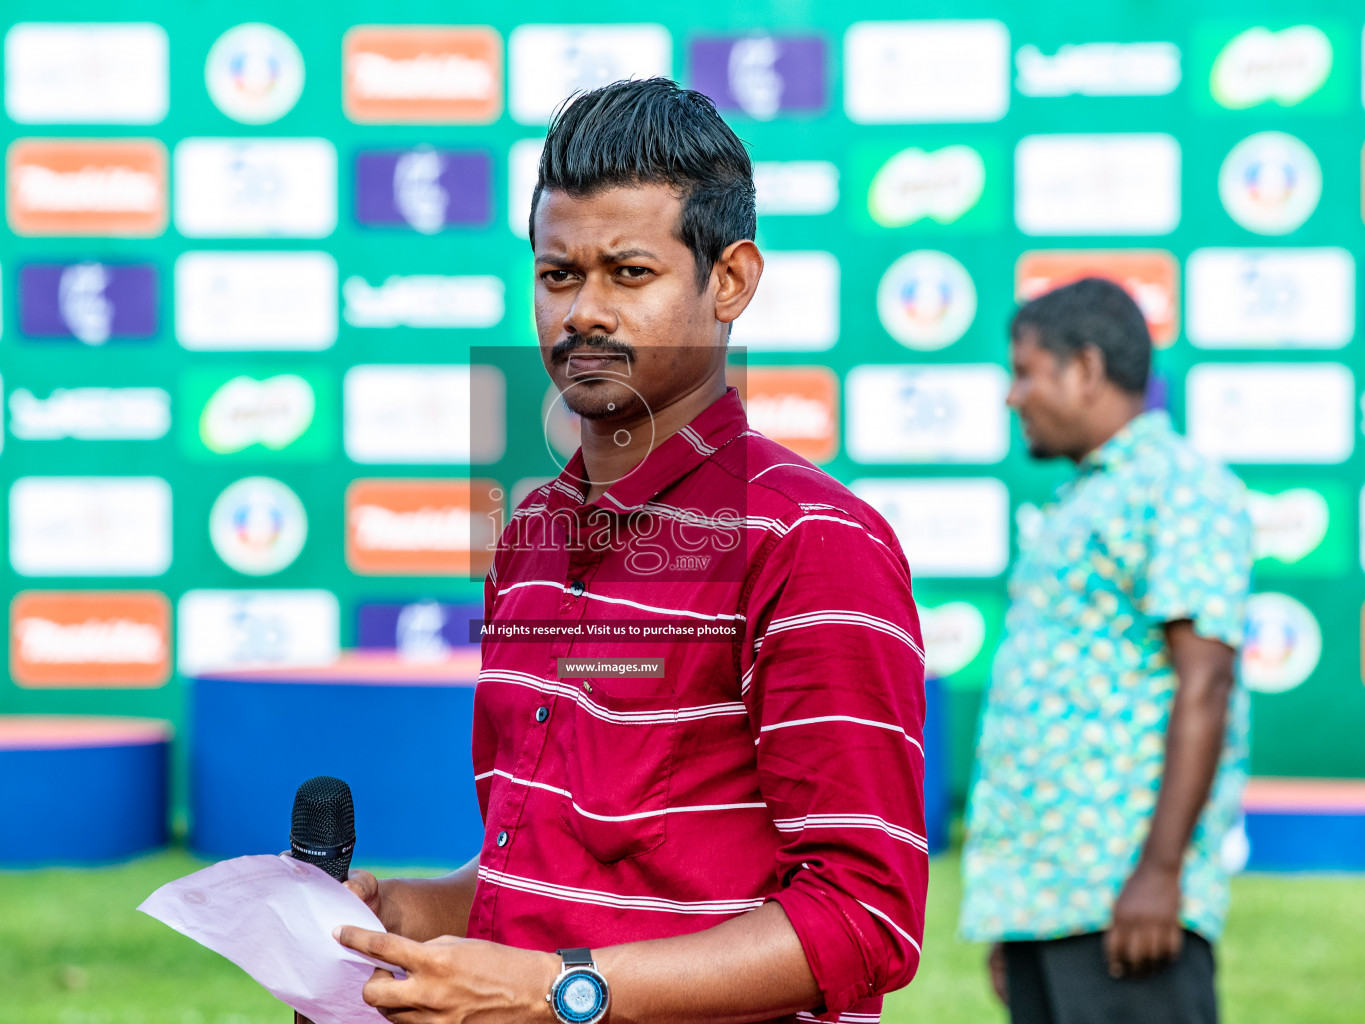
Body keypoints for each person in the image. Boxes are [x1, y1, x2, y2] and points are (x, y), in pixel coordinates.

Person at [329, 78, 929, 1024]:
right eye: (559, 274)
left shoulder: (812, 543)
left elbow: (863, 918)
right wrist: (412, 913)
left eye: (629, 273)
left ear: (729, 280)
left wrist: (557, 993)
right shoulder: (527, 539)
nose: (584, 314)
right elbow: (552, 865)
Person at [959, 278, 1254, 1024]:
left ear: (1085, 369)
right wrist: (1018, 914)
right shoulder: (1082, 500)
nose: (1012, 395)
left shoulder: (1179, 486)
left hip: (1125, 903)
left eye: (1026, 372)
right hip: (1050, 904)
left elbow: (1206, 687)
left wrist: (1160, 876)